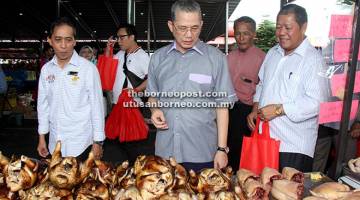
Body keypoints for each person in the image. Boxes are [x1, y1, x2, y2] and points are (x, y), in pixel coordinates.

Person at [147, 0, 237, 172]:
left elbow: (222, 106)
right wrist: (154, 110)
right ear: (171, 26)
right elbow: (153, 95)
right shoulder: (158, 58)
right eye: (182, 28)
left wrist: (221, 149)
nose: (189, 34)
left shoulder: (216, 59)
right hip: (166, 151)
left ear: (201, 25)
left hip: (202, 151)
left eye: (195, 28)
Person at [247, 4, 327, 172]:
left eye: (288, 28)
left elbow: (317, 102)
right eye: (278, 27)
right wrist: (256, 108)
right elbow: (262, 84)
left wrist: (278, 110)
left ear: (303, 27)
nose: (281, 32)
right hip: (264, 140)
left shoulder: (313, 60)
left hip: (292, 146)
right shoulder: (272, 53)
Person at [37, 17, 105, 160]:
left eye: (68, 40)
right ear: (50, 41)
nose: (63, 45)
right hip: (54, 142)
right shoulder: (46, 70)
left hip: (82, 143)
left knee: (84, 182)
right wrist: (42, 137)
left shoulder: (88, 69)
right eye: (58, 39)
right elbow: (43, 106)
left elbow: (97, 106)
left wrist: (98, 141)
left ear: (74, 41)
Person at [104, 23, 150, 163]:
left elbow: (152, 79)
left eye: (122, 37)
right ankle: (132, 166)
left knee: (130, 141)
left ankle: (135, 167)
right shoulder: (120, 54)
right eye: (117, 37)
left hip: (132, 105)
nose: (119, 40)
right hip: (118, 104)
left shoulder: (142, 56)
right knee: (120, 139)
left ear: (132, 37)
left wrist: (135, 90)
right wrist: (108, 49)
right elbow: (107, 64)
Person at [227, 16, 265, 172]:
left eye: (246, 33)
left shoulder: (263, 58)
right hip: (228, 109)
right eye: (238, 33)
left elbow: (264, 88)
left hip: (248, 112)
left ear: (254, 34)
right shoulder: (229, 57)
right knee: (226, 148)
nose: (241, 38)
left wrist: (255, 112)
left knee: (243, 154)